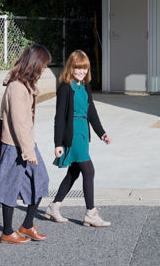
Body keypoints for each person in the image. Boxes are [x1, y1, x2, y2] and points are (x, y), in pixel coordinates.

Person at [0, 44, 52, 244]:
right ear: (34, 64)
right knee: (10, 186)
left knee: (40, 180)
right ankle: (7, 232)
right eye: (43, 65)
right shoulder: (17, 87)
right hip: (15, 145)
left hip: (25, 143)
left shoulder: (25, 84)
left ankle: (27, 225)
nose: (44, 70)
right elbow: (19, 122)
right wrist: (28, 150)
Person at [46, 50, 113, 227]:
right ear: (71, 67)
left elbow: (91, 111)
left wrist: (102, 133)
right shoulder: (65, 87)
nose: (82, 72)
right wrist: (58, 143)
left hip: (83, 133)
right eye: (78, 68)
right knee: (88, 170)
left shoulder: (85, 86)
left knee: (74, 172)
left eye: (84, 68)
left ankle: (54, 206)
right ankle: (91, 213)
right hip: (72, 133)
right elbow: (59, 117)